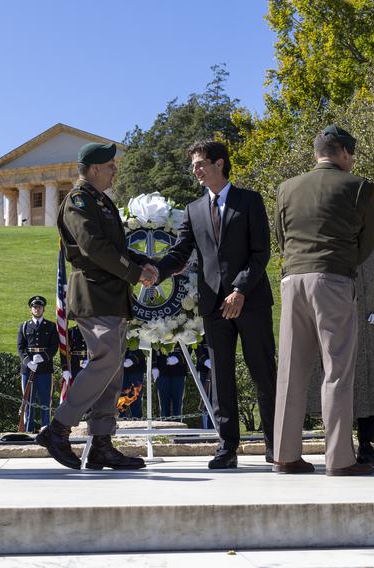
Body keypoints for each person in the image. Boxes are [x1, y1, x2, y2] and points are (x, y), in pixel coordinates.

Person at [155, 140, 277, 469]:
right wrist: (155, 272)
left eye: (200, 164)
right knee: (220, 377)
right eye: (193, 166)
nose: (195, 171)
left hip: (250, 302)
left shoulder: (250, 200)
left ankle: (276, 445)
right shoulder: (193, 210)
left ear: (219, 164)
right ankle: (226, 447)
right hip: (213, 306)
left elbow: (261, 252)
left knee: (263, 374)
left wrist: (239, 290)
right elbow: (180, 253)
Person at [36, 142, 158, 470]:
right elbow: (92, 246)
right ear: (93, 169)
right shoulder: (78, 201)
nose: (115, 170)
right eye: (110, 165)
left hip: (112, 293)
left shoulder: (101, 201)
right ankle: (58, 429)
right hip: (93, 291)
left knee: (113, 370)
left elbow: (115, 247)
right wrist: (134, 271)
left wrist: (144, 263)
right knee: (105, 360)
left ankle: (102, 443)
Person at [273, 125, 374, 476]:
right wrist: (342, 263)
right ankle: (340, 459)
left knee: (290, 370)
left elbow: (281, 236)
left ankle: (286, 456)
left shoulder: (286, 188)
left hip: (292, 280)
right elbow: (367, 242)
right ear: (344, 153)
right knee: (337, 370)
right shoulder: (359, 186)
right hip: (332, 277)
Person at [308, 232, 374, 466]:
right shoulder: (328, 237)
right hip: (336, 326)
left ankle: (366, 445)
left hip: (370, 329)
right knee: (337, 382)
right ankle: (339, 444)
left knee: (370, 384)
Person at [17, 295, 59, 432]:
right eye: (34, 307)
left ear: (43, 309)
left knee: (45, 400)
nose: (37, 309)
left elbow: (54, 346)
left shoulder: (51, 326)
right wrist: (28, 362)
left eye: (39, 307)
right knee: (28, 400)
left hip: (45, 368)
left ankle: (45, 428)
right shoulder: (24, 326)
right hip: (28, 369)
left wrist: (44, 357)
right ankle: (28, 429)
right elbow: (20, 347)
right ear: (31, 310)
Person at [155, 346, 186, 419]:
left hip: (179, 370)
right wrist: (154, 366)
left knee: (177, 404)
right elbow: (154, 348)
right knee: (164, 405)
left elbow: (188, 346)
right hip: (162, 369)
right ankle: (164, 428)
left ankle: (178, 428)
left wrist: (178, 358)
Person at [119, 348, 146, 418]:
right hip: (121, 368)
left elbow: (144, 347)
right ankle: (120, 421)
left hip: (137, 368)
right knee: (121, 397)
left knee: (136, 397)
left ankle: (137, 421)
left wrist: (133, 359)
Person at [195, 340, 214, 429]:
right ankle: (206, 428)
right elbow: (197, 347)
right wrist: (205, 360)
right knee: (205, 399)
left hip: (218, 367)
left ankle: (215, 426)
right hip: (204, 368)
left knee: (216, 399)